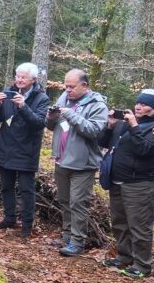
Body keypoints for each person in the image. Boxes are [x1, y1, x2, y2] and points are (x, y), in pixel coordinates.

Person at [98, 89, 154, 278]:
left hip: (140, 184)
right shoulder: (124, 123)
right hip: (116, 181)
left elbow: (144, 150)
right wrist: (110, 126)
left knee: (139, 225)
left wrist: (134, 126)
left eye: (145, 104)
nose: (139, 106)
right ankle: (124, 256)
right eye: (138, 102)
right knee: (119, 222)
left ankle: (142, 265)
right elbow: (104, 143)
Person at [46, 69, 108, 257]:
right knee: (64, 200)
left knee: (78, 203)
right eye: (66, 86)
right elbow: (51, 127)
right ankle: (67, 235)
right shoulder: (63, 98)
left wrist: (71, 116)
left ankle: (77, 241)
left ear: (85, 85)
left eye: (72, 86)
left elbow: (95, 130)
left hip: (82, 164)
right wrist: (50, 117)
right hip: (62, 159)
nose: (68, 90)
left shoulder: (98, 105)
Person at [0, 62, 50, 237]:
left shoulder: (41, 98)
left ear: (33, 79)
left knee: (26, 190)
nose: (19, 80)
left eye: (23, 77)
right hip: (5, 147)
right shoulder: (9, 92)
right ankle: (9, 218)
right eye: (17, 76)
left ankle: (27, 225)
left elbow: (38, 124)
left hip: (26, 150)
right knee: (6, 187)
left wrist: (23, 106)